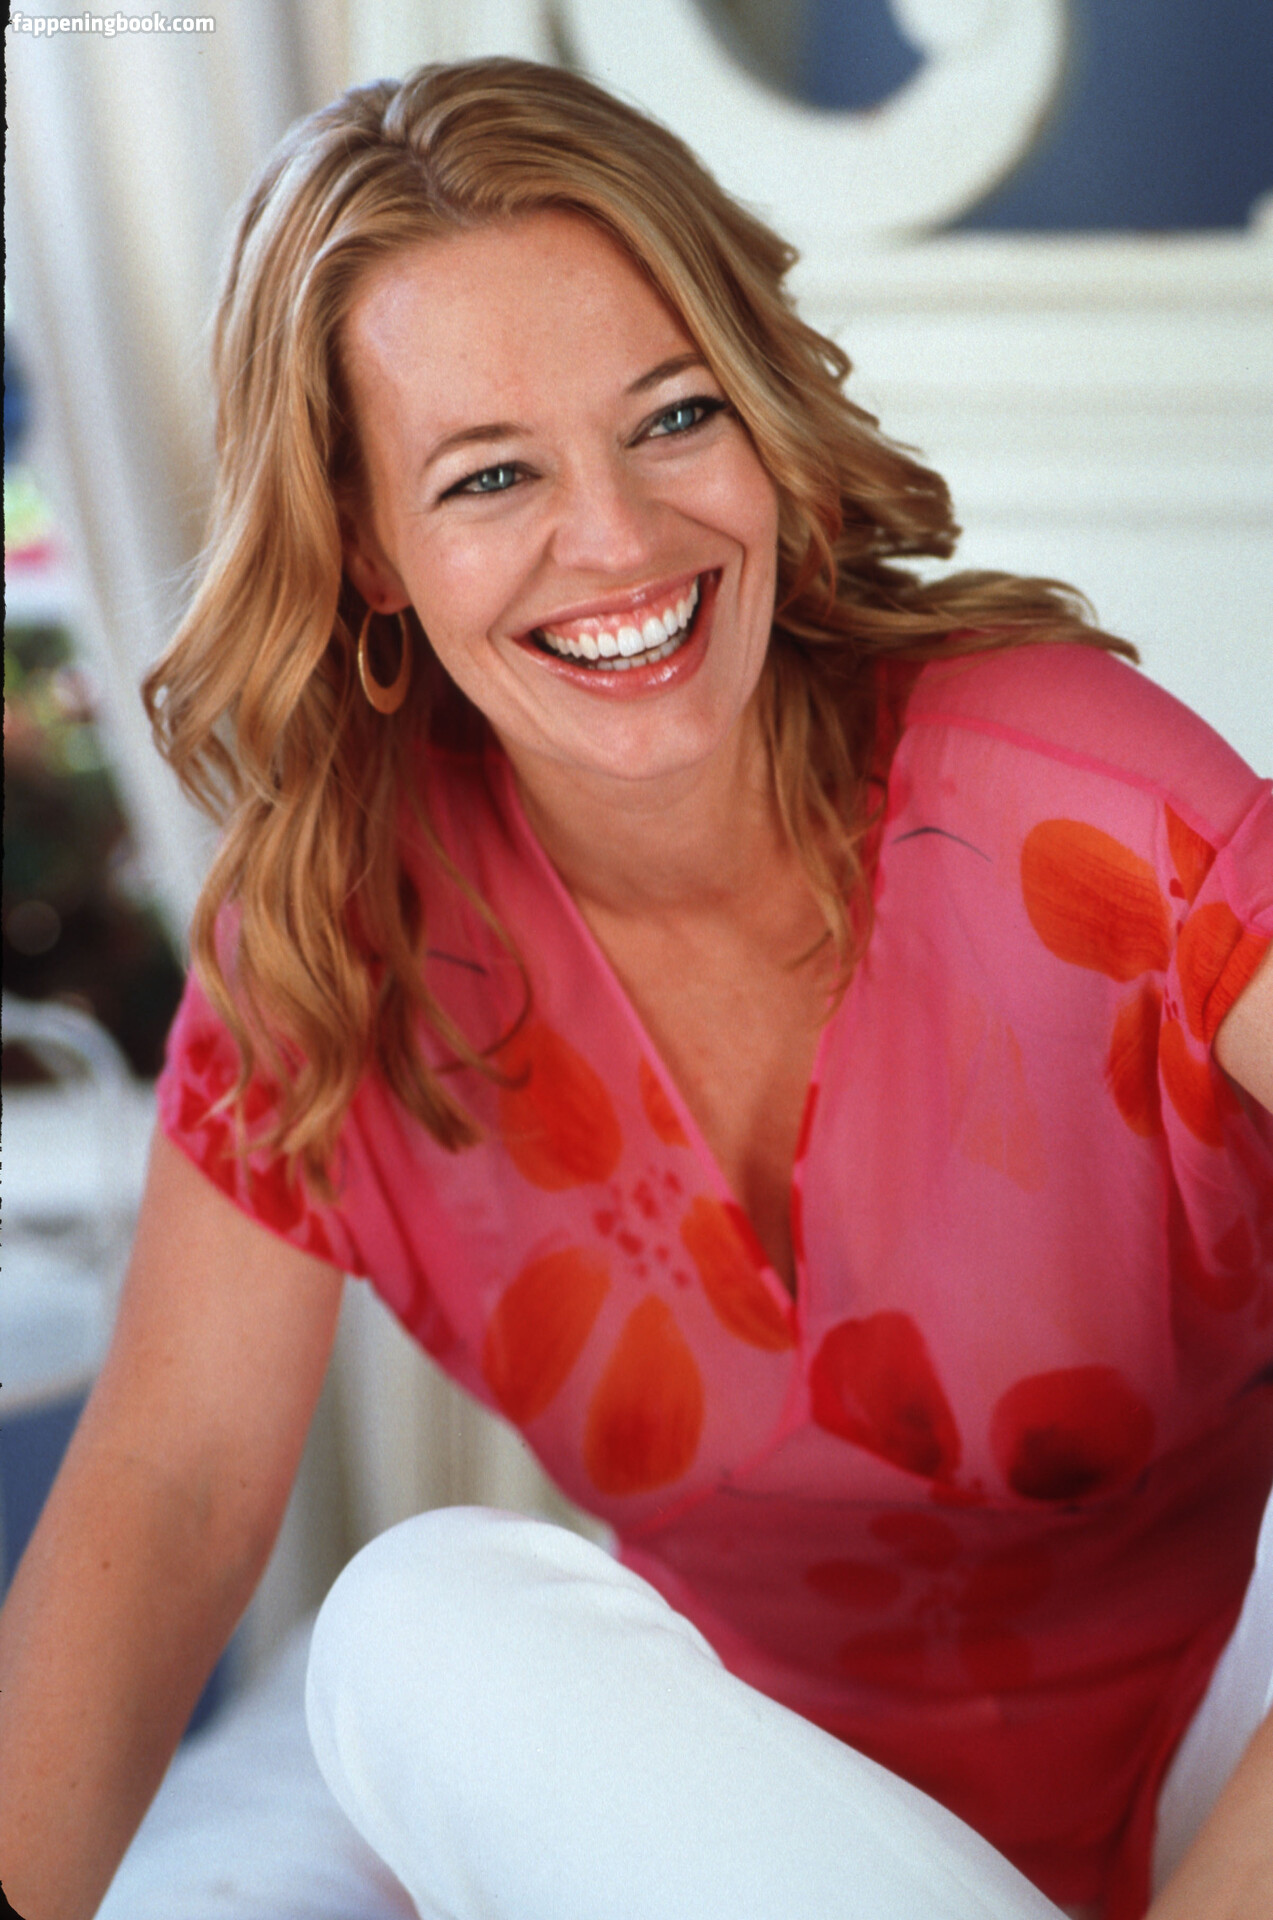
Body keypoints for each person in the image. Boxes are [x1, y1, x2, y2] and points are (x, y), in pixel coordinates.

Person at [1, 56, 1270, 1920]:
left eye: (673, 417)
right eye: (489, 474)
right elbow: (172, 1491)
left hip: (1217, 1755)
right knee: (416, 1624)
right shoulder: (345, 943)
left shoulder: (1076, 797)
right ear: (365, 548)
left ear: (759, 417)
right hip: (755, 1827)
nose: (615, 537)